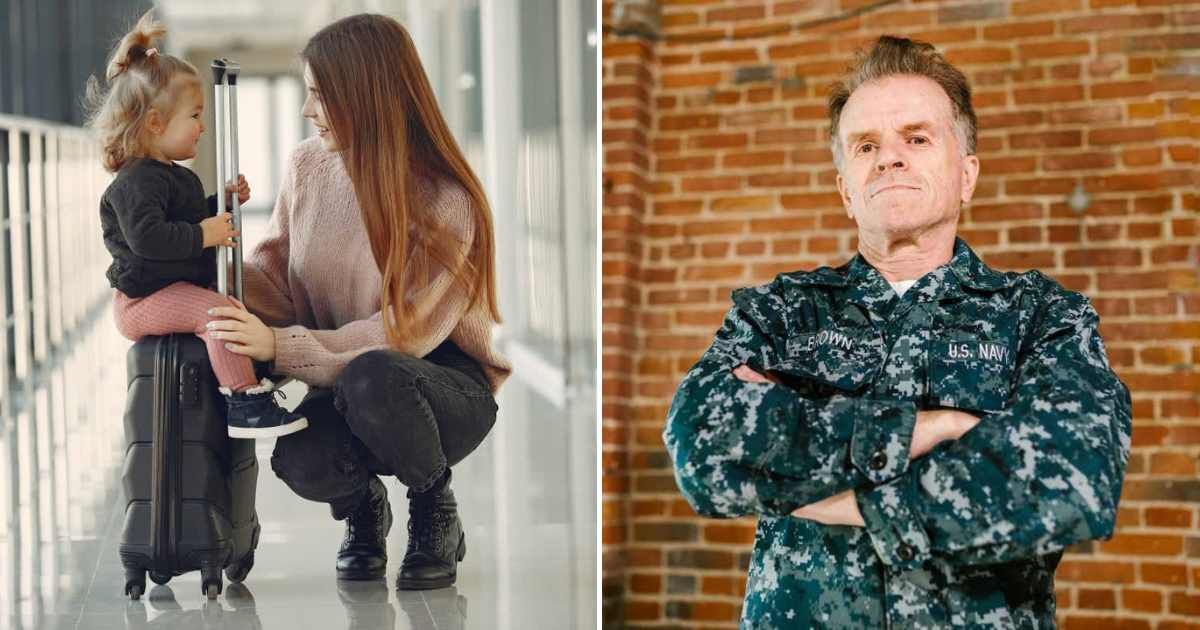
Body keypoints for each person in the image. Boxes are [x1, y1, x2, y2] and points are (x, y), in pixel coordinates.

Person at [663, 35, 1132, 628]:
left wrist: (811, 491)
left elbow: (1071, 484)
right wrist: (928, 429)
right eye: (865, 146)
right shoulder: (780, 312)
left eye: (916, 137)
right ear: (846, 191)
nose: (889, 157)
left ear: (966, 174)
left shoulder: (1043, 316)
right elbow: (700, 443)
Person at [204, 13, 511, 590]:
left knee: (375, 376)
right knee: (299, 459)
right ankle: (364, 510)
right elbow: (277, 282)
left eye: (320, 95)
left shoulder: (445, 198)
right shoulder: (306, 167)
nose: (306, 111)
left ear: (364, 95)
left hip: (439, 387)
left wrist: (280, 346)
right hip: (342, 379)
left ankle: (433, 509)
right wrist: (212, 260)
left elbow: (404, 335)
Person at [90, 10, 308, 439]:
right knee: (218, 314)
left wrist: (218, 204)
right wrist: (205, 233)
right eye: (193, 116)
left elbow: (181, 222)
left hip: (168, 287)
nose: (203, 127)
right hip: (141, 301)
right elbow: (150, 239)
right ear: (155, 123)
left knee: (233, 303)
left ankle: (257, 369)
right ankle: (244, 399)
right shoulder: (136, 181)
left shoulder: (170, 174)